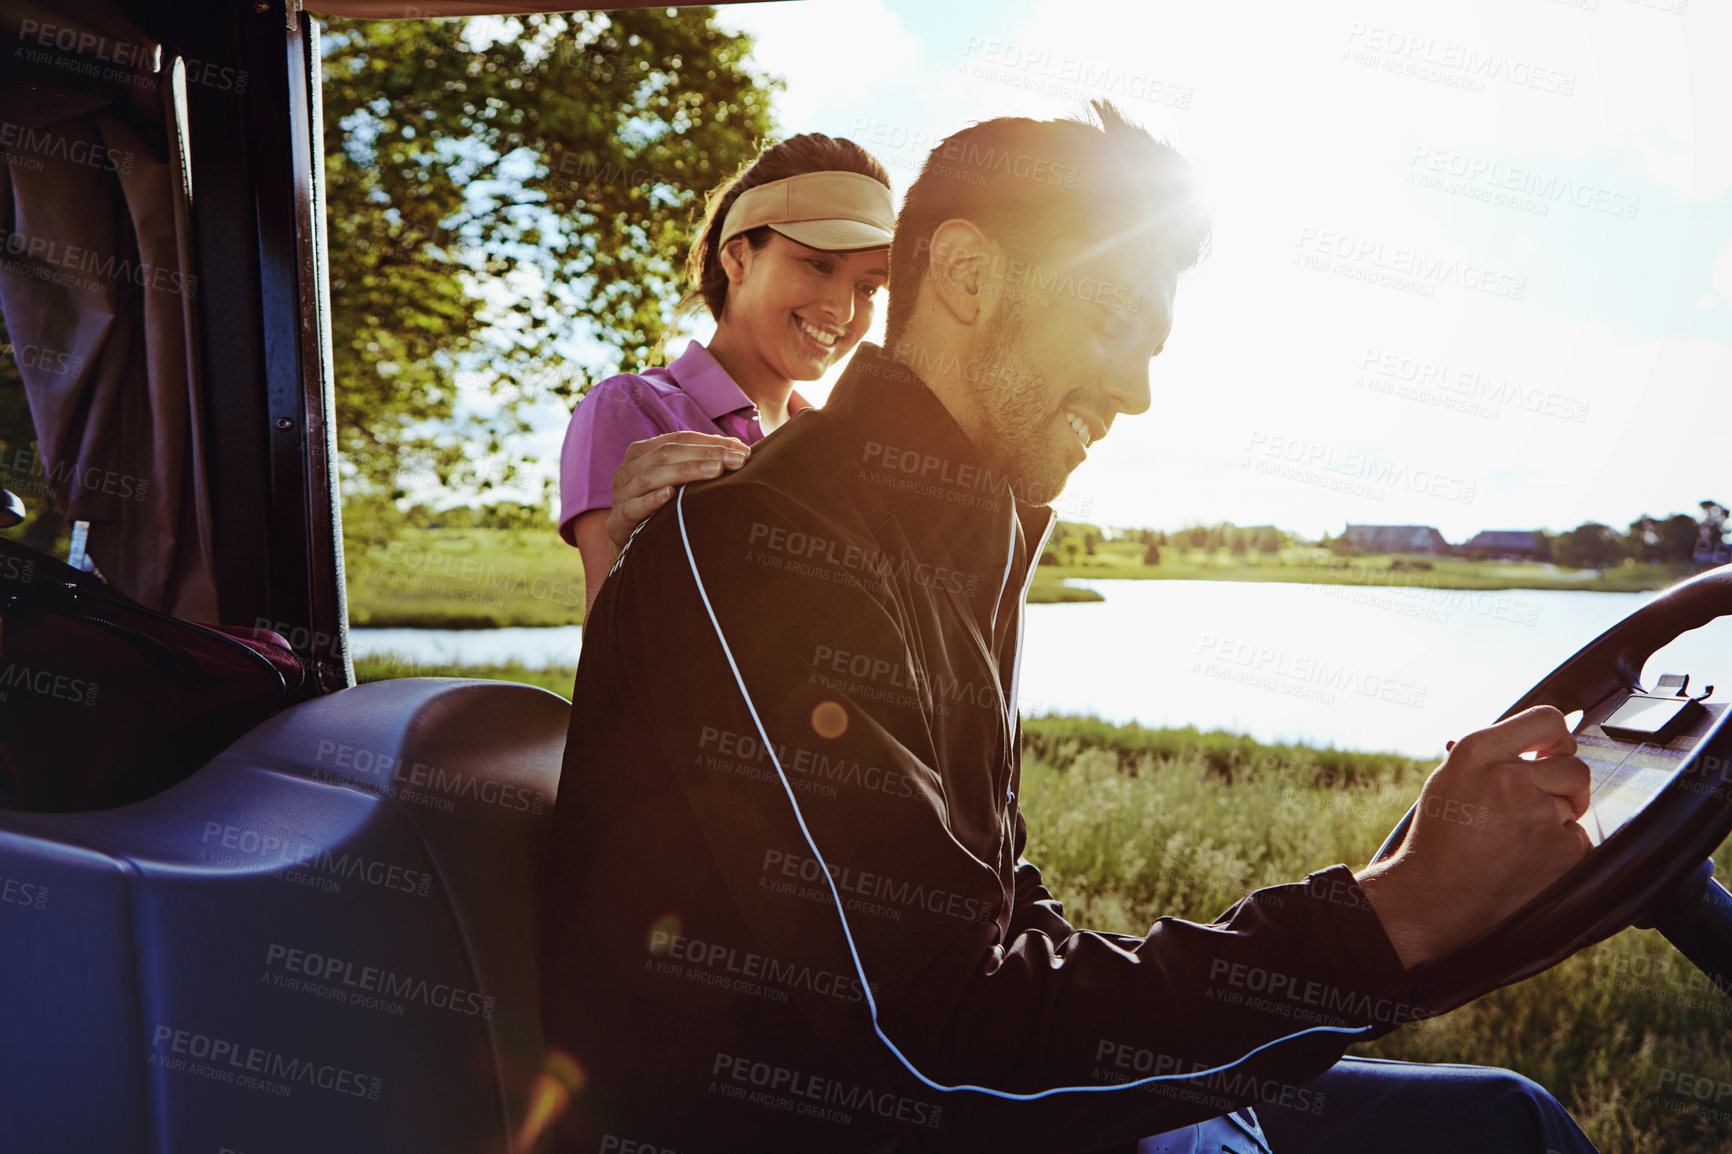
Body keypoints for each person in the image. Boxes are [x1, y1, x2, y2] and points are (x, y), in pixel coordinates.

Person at [538, 103, 1600, 1154]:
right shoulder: (766, 543)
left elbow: (992, 914)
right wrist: (1395, 915)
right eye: (1111, 325)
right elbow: (934, 1041)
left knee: (1512, 1119)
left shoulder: (952, 539)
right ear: (964, 274)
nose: (1136, 394)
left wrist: (1372, 922)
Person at [558, 133, 893, 613]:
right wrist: (629, 548)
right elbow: (611, 646)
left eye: (868, 287)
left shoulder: (842, 449)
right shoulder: (630, 408)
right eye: (818, 264)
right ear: (738, 257)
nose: (842, 310)